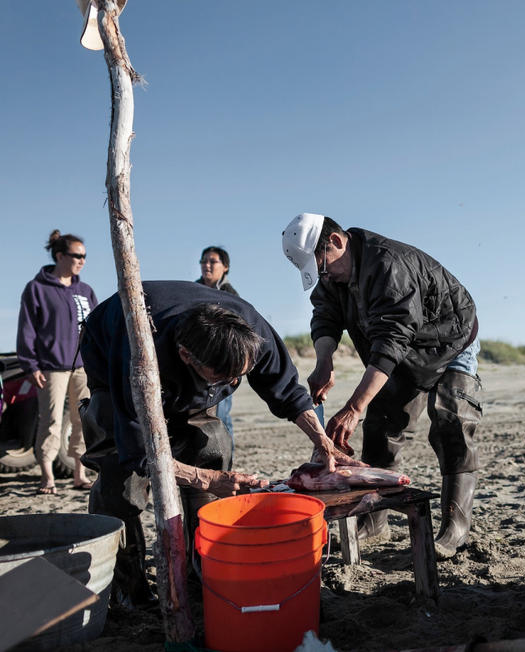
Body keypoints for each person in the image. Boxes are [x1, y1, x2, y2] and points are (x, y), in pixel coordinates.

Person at [79, 280, 360, 608]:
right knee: (122, 481)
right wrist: (208, 480)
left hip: (192, 367)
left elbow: (287, 392)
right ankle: (127, 586)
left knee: (211, 445)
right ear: (186, 356)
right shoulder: (137, 356)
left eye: (239, 377)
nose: (234, 383)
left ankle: (203, 568)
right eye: (224, 378)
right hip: (113, 353)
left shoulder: (253, 331)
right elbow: (139, 452)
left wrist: (324, 444)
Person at [282, 213, 483, 558]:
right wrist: (324, 361)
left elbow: (391, 339)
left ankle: (455, 527)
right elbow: (325, 316)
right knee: (380, 429)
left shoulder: (389, 266)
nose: (326, 278)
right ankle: (373, 520)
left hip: (449, 343)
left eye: (325, 268)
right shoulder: (334, 276)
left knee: (453, 421)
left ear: (336, 241)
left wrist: (354, 407)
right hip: (402, 353)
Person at [17, 230, 97, 494]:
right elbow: (27, 329)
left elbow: (97, 327)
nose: (82, 261)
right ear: (60, 255)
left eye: (85, 256)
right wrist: (30, 365)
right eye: (77, 256)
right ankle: (47, 476)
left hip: (82, 367)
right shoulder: (36, 288)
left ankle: (79, 473)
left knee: (81, 420)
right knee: (50, 421)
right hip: (51, 368)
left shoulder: (85, 290)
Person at [195, 245, 238, 439]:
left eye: (213, 261)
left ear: (225, 267)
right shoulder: (192, 291)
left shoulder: (230, 295)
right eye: (204, 261)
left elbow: (238, 335)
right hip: (196, 365)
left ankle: (226, 465)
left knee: (221, 417)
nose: (207, 265)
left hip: (222, 367)